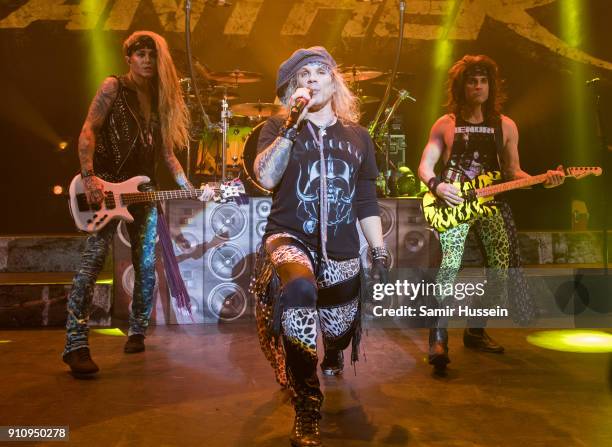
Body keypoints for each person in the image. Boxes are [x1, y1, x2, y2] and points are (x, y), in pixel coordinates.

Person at [252, 46, 388, 447]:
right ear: (293, 88)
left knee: (339, 333)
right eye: (302, 75)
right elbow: (266, 177)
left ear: (334, 80)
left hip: (343, 248)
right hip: (288, 236)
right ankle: (307, 405)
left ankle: (333, 353)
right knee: (298, 291)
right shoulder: (276, 129)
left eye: (319, 72)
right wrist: (291, 125)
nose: (311, 78)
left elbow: (366, 201)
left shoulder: (359, 137)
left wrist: (377, 249)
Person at [62, 31, 213, 376]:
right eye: (140, 54)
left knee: (146, 265)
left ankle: (137, 330)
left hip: (143, 193)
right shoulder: (113, 87)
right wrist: (89, 177)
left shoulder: (160, 99)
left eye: (152, 54)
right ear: (128, 57)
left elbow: (166, 154)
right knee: (90, 265)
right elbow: (89, 130)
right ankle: (75, 344)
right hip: (103, 190)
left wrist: (189, 186)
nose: (147, 59)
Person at [418, 54, 564, 372]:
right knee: (449, 266)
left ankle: (475, 329)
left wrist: (544, 182)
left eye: (484, 81)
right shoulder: (446, 123)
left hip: (491, 203)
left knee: (501, 270)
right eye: (472, 80)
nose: (479, 86)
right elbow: (425, 165)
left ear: (491, 86)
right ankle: (438, 337)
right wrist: (438, 186)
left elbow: (513, 172)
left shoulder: (506, 126)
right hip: (453, 203)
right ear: (461, 85)